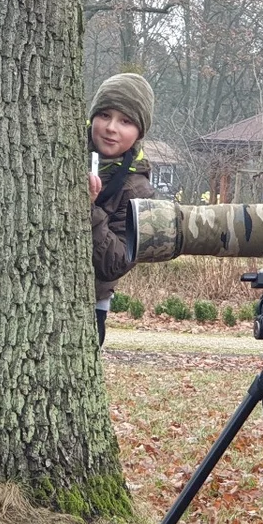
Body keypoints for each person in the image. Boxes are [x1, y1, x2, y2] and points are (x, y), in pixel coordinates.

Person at [86, 72, 157, 348]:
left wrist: (90, 209)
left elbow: (114, 263)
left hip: (91, 306)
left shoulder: (138, 191)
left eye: (125, 121)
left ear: (139, 131)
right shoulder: (63, 153)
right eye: (104, 115)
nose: (111, 127)